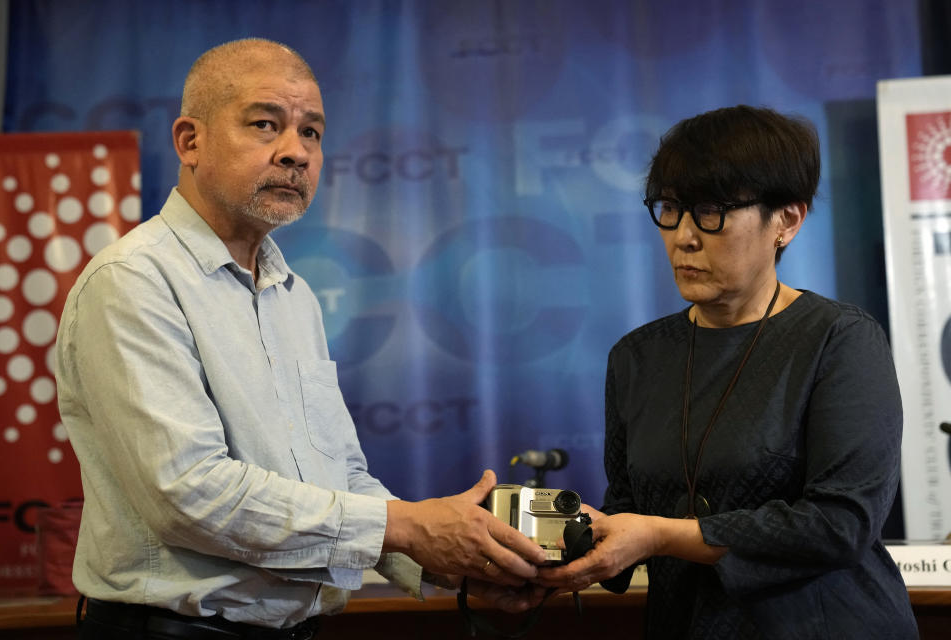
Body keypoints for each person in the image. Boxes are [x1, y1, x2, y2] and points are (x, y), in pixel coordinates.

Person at [55, 38, 546, 639]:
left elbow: (340, 480)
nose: (295, 153)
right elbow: (190, 494)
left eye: (311, 132)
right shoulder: (133, 281)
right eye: (265, 125)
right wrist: (408, 526)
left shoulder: (295, 296)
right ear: (191, 141)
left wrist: (455, 562)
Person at [536, 105, 918, 638]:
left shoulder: (840, 339)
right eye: (670, 208)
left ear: (787, 219)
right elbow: (627, 511)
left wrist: (660, 536)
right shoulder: (636, 356)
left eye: (712, 211)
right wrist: (548, 551)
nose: (684, 237)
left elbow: (841, 524)